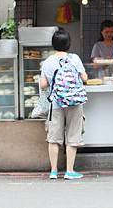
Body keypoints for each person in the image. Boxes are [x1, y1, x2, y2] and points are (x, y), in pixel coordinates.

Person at [39, 28, 88, 180]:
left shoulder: (47, 62)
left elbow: (43, 84)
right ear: (69, 44)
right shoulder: (75, 59)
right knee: (73, 136)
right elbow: (85, 78)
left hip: (56, 103)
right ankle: (70, 171)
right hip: (74, 102)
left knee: (54, 138)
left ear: (53, 44)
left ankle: (53, 171)